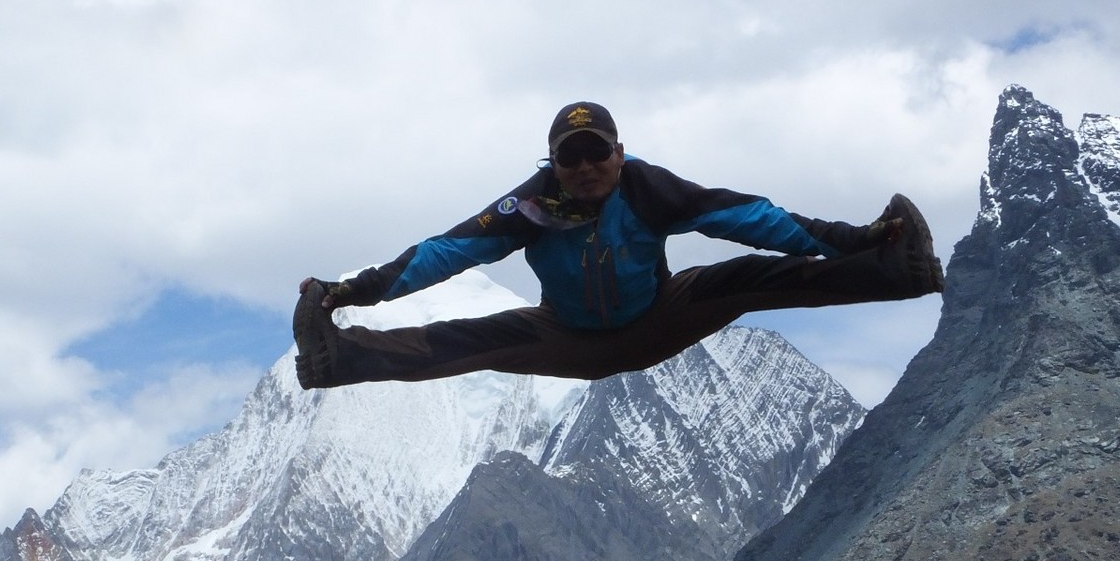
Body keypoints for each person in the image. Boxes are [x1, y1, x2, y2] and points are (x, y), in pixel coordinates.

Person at [294, 101, 944, 390]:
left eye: (596, 153)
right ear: (552, 163)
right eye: (569, 158)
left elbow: (750, 218)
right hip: (566, 338)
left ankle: (896, 268)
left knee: (751, 275)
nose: (584, 168)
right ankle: (335, 358)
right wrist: (352, 291)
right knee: (461, 341)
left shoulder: (648, 189)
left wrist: (854, 239)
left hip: (660, 316)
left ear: (619, 153)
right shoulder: (527, 208)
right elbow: (445, 252)